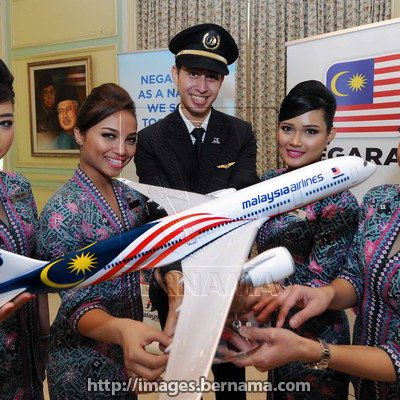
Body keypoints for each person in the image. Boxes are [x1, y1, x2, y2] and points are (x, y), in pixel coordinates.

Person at [134, 23, 259, 400]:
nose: (201, 87)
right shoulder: (151, 139)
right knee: (179, 380)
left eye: (212, 77)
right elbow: (160, 213)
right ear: (175, 73)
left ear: (222, 81)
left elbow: (243, 204)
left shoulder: (240, 134)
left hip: (225, 277)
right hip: (174, 276)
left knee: (231, 381)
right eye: (193, 74)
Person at [235, 145, 400, 399]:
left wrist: (311, 350)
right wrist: (327, 294)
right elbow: (355, 277)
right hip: (364, 386)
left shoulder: (339, 201)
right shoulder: (380, 201)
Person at [36, 83, 169, 399]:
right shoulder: (61, 212)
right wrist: (124, 330)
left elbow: (155, 252)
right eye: (109, 136)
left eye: (130, 139)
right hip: (80, 363)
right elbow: (76, 304)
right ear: (79, 134)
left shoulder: (130, 197)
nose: (122, 150)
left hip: (126, 349)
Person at [253, 80, 359, 399]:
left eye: (311, 131)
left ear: (330, 135)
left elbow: (317, 283)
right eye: (287, 128)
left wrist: (242, 292)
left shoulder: (338, 200)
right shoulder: (268, 183)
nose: (295, 141)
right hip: (273, 327)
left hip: (316, 339)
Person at [0, 59, 47, 399]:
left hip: (28, 362)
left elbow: (36, 269)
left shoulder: (18, 187)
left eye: (5, 123)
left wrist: (45, 339)